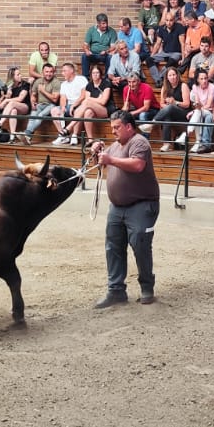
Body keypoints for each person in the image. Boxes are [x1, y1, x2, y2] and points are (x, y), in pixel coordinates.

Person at [91, 111, 160, 308]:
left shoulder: (139, 143)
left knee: (140, 243)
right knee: (113, 247)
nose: (113, 131)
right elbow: (101, 164)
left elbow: (138, 165)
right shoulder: (114, 146)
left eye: (116, 127)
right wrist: (97, 154)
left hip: (142, 204)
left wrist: (110, 160)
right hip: (117, 207)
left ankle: (147, 287)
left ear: (128, 127)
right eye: (112, 128)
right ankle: (116, 290)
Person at [151, 67, 191, 150]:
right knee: (167, 116)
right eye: (170, 75)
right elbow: (161, 104)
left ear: (177, 75)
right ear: (167, 77)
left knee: (171, 107)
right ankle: (166, 144)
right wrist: (168, 108)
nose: (172, 77)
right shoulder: (164, 87)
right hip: (171, 113)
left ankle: (152, 123)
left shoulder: (183, 85)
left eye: (174, 75)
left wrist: (175, 102)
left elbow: (187, 104)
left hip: (183, 113)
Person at [74, 63, 114, 143]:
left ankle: (71, 128)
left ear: (101, 74)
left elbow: (103, 102)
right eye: (93, 73)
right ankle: (90, 139)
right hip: (94, 109)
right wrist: (96, 99)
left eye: (97, 73)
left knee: (87, 103)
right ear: (91, 74)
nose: (95, 75)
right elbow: (87, 99)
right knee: (88, 112)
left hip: (107, 109)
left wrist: (91, 100)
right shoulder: (89, 85)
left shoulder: (106, 83)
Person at [52, 63, 89, 146]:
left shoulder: (81, 79)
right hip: (69, 105)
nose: (62, 73)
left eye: (64, 71)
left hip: (80, 104)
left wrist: (74, 105)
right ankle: (62, 135)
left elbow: (83, 95)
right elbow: (63, 98)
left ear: (71, 71)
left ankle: (74, 135)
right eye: (62, 71)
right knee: (54, 110)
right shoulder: (63, 84)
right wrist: (63, 107)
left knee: (77, 110)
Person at [26, 63, 62, 141]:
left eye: (51, 72)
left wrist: (43, 91)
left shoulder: (56, 82)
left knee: (41, 115)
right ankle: (28, 137)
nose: (49, 74)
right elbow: (33, 95)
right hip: (40, 104)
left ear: (53, 72)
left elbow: (55, 99)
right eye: (47, 72)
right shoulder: (38, 81)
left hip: (51, 105)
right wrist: (33, 102)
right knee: (32, 116)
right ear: (42, 72)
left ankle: (27, 133)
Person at [0, 67, 32, 142]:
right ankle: (12, 136)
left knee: (11, 103)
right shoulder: (9, 86)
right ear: (13, 77)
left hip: (25, 107)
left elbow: (20, 99)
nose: (20, 76)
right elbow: (0, 105)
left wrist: (7, 100)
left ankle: (0, 124)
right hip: (15, 108)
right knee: (13, 111)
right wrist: (7, 96)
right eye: (18, 74)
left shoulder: (25, 84)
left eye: (20, 74)